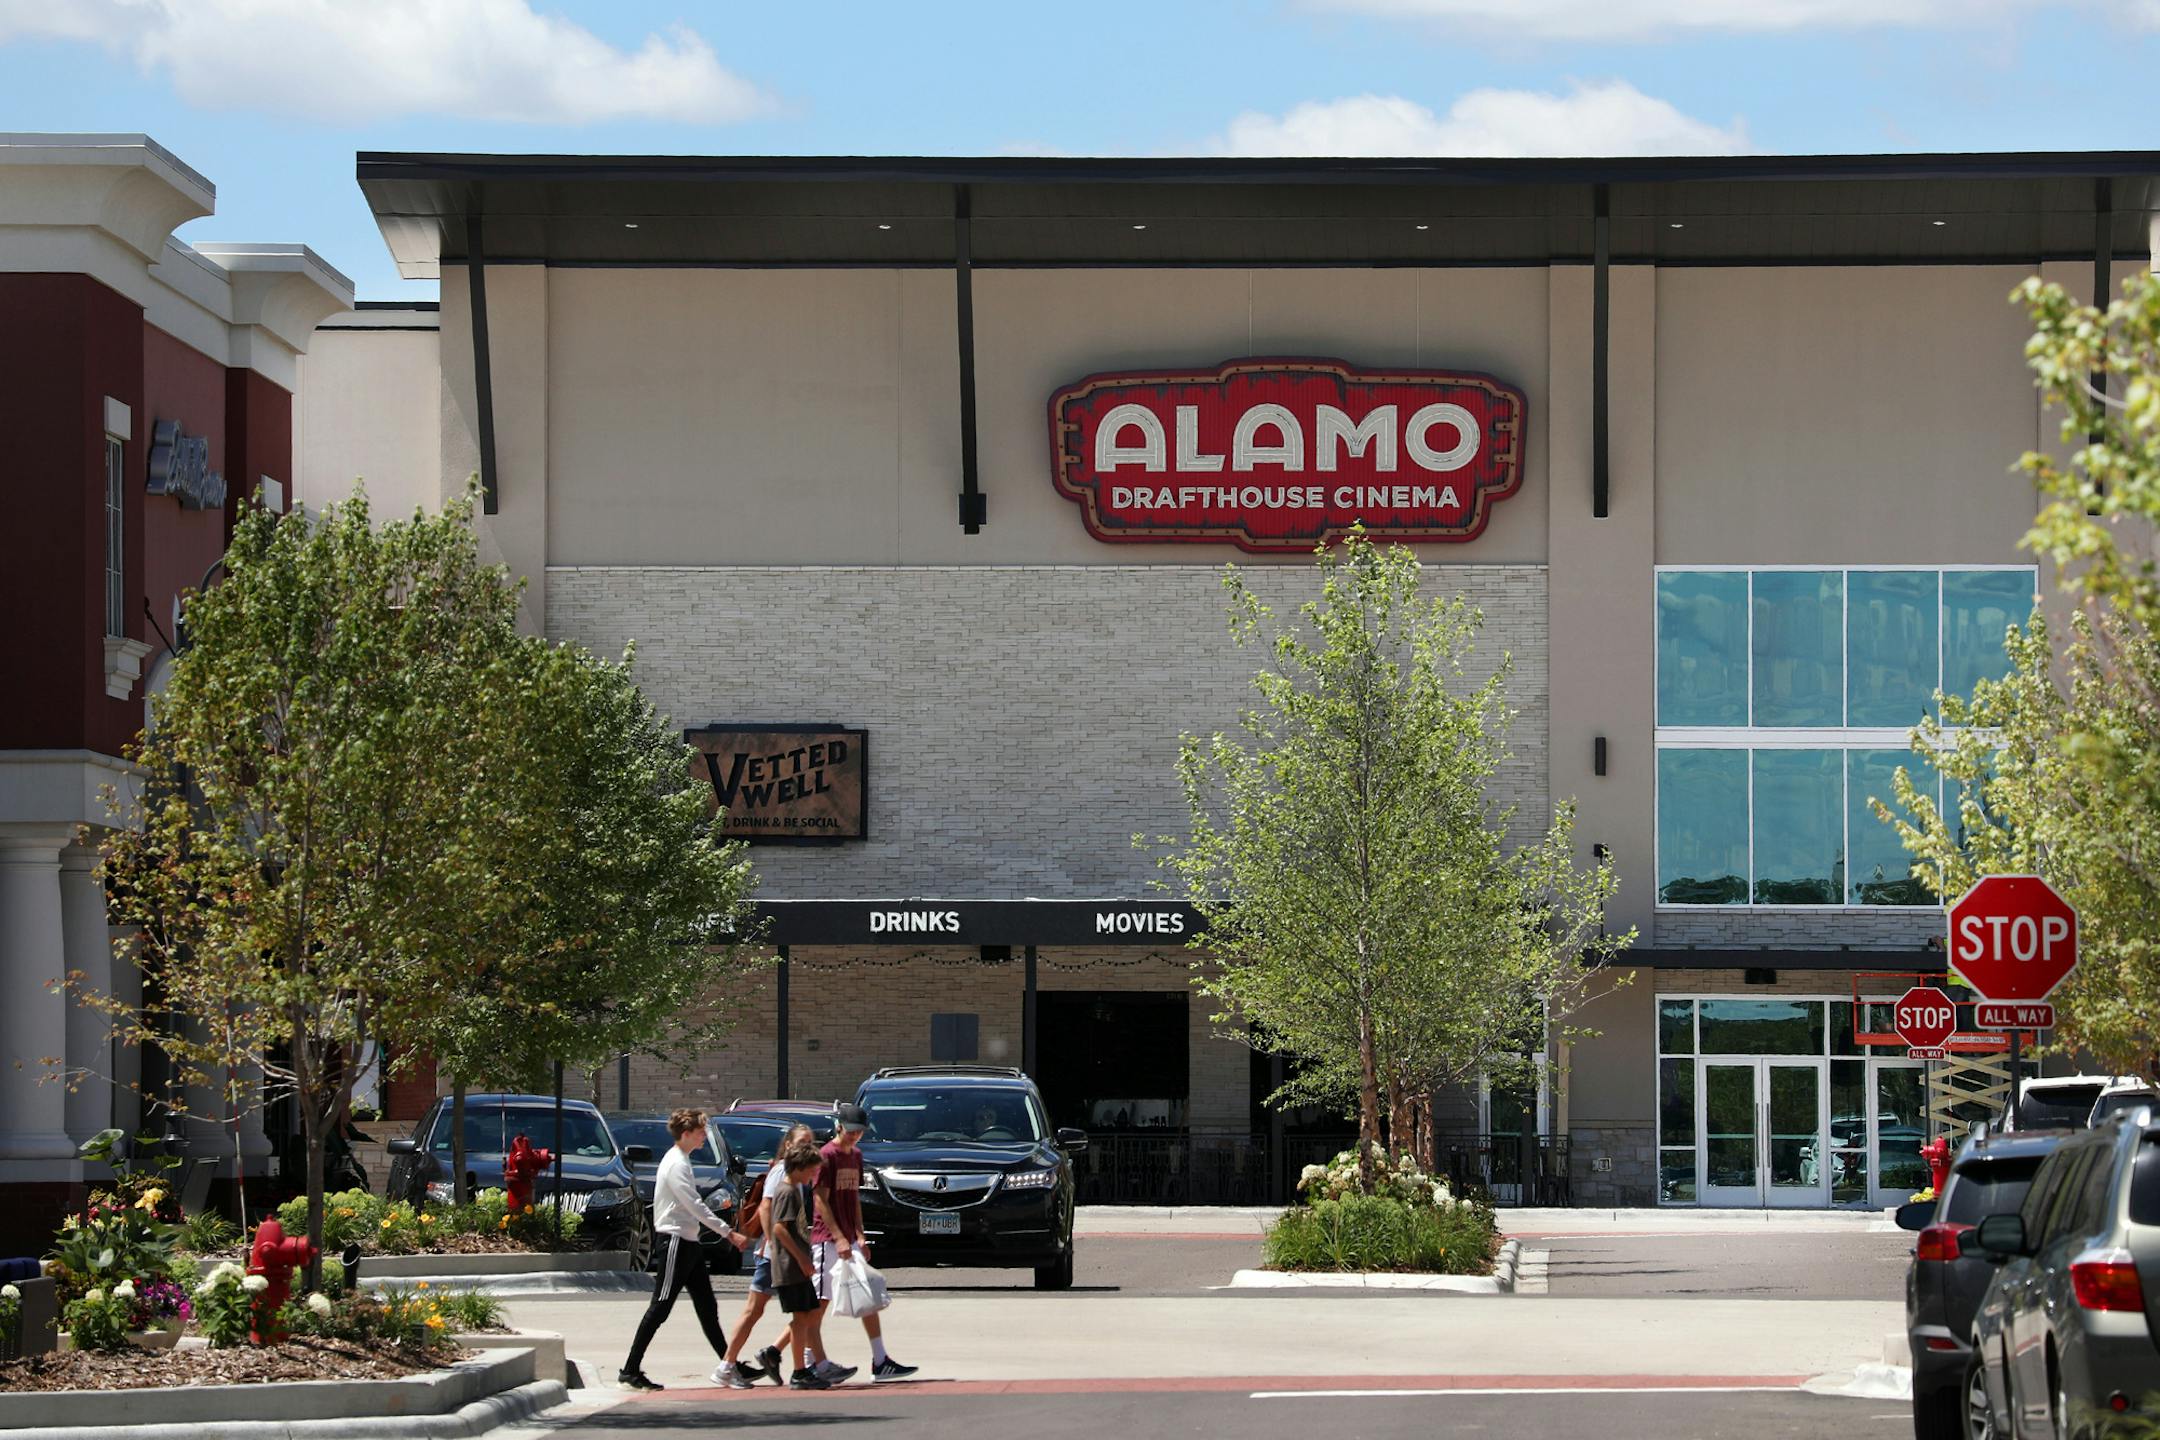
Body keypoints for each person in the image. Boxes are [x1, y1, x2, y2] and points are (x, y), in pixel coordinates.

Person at [616, 1108, 753, 1392]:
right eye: (701, 1131)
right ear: (687, 1133)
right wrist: (729, 1233)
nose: (704, 1136)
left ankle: (729, 1366)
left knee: (707, 1307)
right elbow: (695, 1205)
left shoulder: (683, 1161)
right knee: (660, 1307)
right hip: (675, 1242)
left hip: (689, 1243)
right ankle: (630, 1370)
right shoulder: (676, 1163)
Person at [813, 1101, 918, 1381]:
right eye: (851, 1131)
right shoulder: (827, 1156)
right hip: (827, 1240)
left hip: (848, 1238)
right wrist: (837, 1237)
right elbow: (820, 1200)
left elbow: (855, 1198)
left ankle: (880, 1360)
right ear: (838, 1127)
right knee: (819, 1302)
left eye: (859, 1132)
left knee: (868, 1297)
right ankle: (808, 1360)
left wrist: (860, 1235)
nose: (855, 1136)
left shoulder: (856, 1156)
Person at [721, 1122, 821, 1388]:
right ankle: (728, 1365)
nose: (806, 1147)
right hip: (776, 1256)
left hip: (784, 1254)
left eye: (810, 1142)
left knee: (806, 1311)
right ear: (788, 1145)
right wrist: (772, 1246)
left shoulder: (798, 1177)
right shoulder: (781, 1173)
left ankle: (781, 1356)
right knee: (757, 1310)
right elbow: (767, 1210)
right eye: (801, 1142)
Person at [766, 1138, 832, 1389]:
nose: (813, 1175)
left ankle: (797, 1366)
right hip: (789, 1267)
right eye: (811, 1170)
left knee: (805, 1316)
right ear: (798, 1167)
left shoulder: (794, 1190)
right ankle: (799, 1371)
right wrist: (802, 1258)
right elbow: (780, 1229)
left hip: (796, 1267)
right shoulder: (786, 1192)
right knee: (800, 1317)